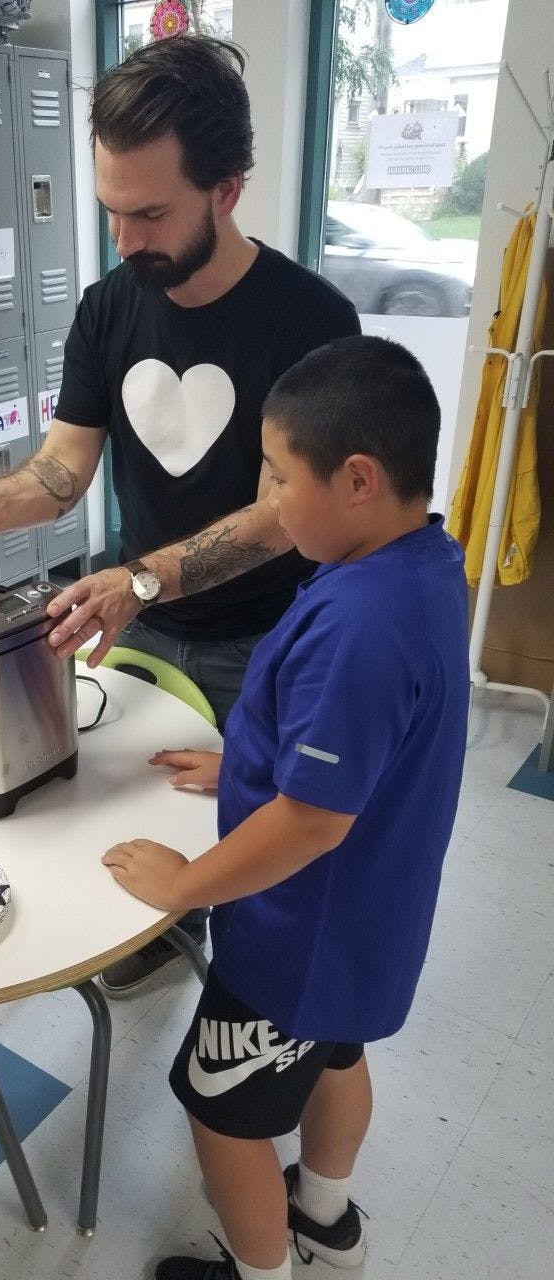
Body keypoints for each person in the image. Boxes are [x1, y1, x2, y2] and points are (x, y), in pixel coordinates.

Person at [0, 35, 360, 997]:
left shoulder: (312, 324)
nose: (124, 240)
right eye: (112, 212)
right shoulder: (109, 308)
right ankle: (162, 933)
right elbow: (66, 467)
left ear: (228, 190)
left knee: (259, 857)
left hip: (267, 641)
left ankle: (251, 1000)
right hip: (141, 626)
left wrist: (142, 576)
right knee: (131, 827)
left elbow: (284, 514)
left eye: (150, 214)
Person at [100, 336, 469, 1280]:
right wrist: (243, 770)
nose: (265, 504)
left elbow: (313, 821)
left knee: (220, 1110)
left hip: (297, 935)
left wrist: (185, 881)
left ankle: (264, 1271)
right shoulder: (418, 566)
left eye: (275, 477)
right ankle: (327, 1219)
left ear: (356, 479)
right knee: (334, 1056)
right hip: (364, 926)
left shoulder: (360, 625)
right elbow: (357, 756)